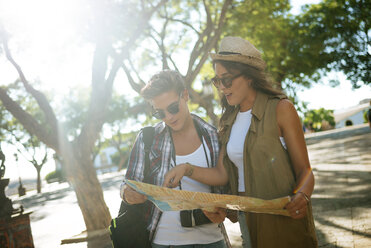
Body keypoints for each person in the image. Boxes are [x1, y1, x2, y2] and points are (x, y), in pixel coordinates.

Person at [163, 37, 318, 248]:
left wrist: (302, 195)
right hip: (246, 218)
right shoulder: (228, 120)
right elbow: (222, 173)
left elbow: (306, 170)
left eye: (226, 79)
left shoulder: (281, 109)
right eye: (217, 80)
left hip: (283, 217)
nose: (221, 87)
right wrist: (185, 169)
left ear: (249, 77)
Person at [120, 70, 228, 248]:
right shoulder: (148, 139)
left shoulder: (214, 137)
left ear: (185, 95)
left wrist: (223, 210)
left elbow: (227, 194)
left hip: (212, 240)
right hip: (165, 242)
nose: (169, 117)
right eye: (160, 113)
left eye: (172, 108)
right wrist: (127, 194)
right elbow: (128, 185)